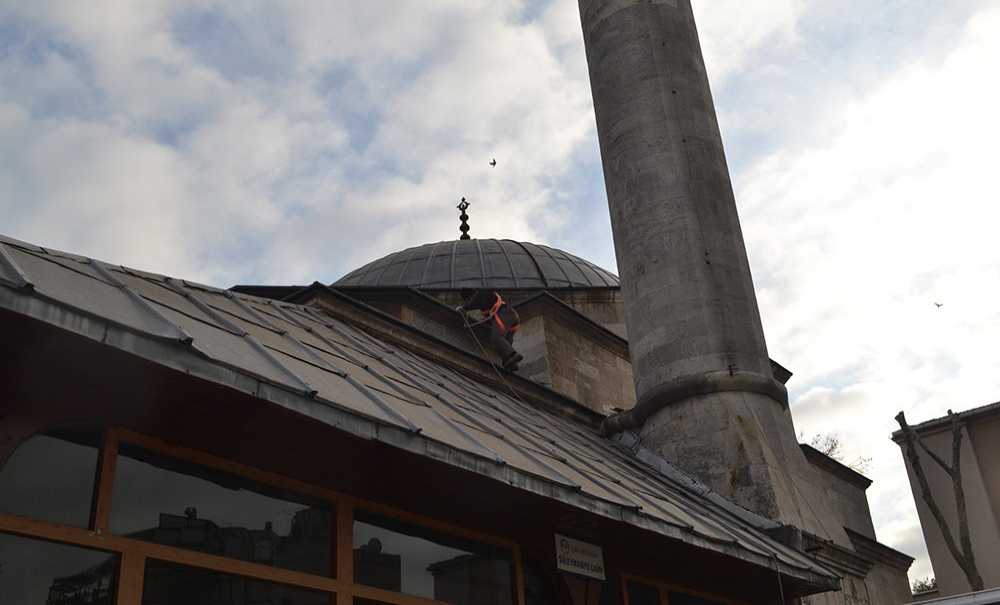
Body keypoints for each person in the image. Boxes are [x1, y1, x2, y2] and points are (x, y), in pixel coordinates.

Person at [456, 289, 523, 371]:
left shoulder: (482, 293)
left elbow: (476, 300)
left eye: (467, 300)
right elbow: (488, 318)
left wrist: (464, 308)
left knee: (496, 338)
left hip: (504, 315)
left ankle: (512, 355)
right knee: (505, 342)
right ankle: (511, 363)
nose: (468, 301)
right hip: (511, 318)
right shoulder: (486, 303)